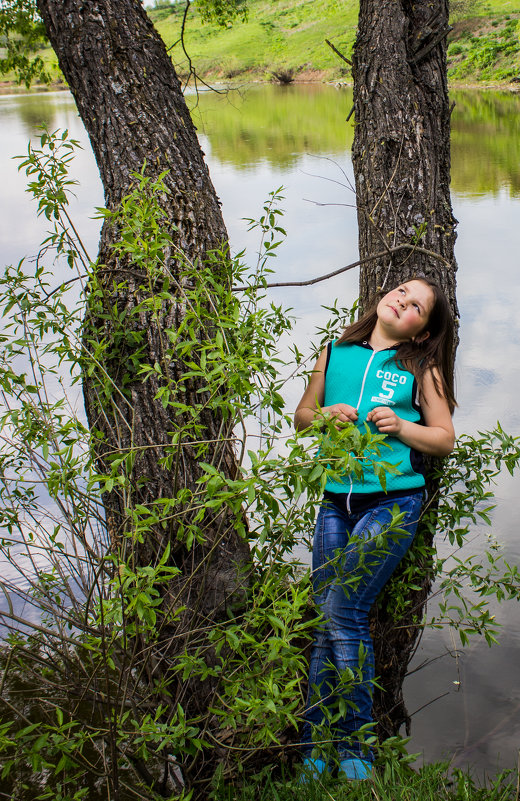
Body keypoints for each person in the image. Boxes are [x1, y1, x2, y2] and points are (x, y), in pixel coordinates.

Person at [294, 278, 456, 782]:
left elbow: (444, 437)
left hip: (392, 500)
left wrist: (403, 428)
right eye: (402, 293)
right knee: (328, 617)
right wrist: (325, 416)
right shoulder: (335, 351)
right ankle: (316, 747)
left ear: (423, 330)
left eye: (416, 307)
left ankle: (355, 746)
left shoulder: (419, 366)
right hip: (334, 501)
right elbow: (300, 417)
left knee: (344, 610)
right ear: (384, 298)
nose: (402, 303)